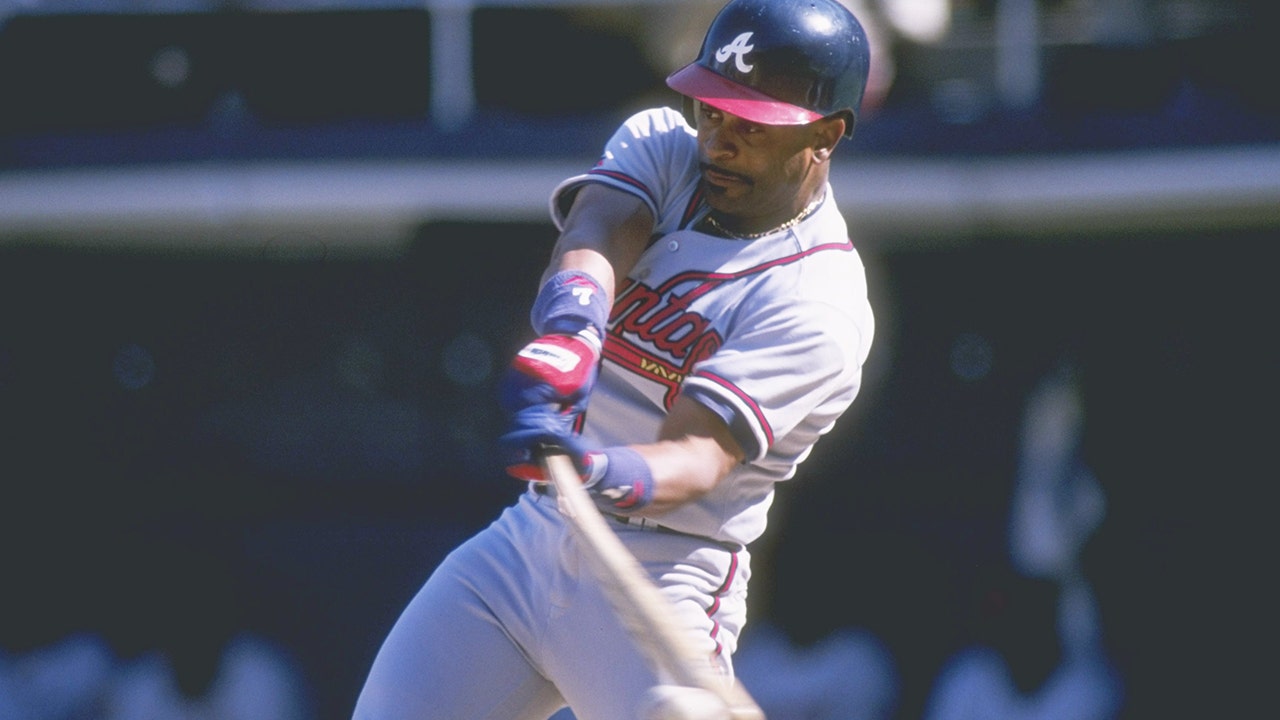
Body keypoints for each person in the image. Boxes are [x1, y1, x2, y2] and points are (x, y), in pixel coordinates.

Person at [352, 0, 875, 717]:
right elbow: (602, 225)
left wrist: (602, 470)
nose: (719, 141)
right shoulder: (668, 143)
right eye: (714, 110)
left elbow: (695, 455)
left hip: (663, 574)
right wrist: (572, 330)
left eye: (751, 126)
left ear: (826, 134)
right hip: (533, 541)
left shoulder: (820, 300)